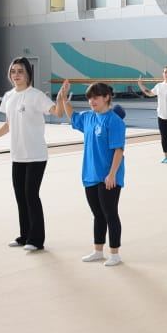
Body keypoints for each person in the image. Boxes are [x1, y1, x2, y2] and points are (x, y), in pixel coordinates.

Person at [0, 57, 63, 249]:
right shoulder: (9, 96)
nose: (16, 75)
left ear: (28, 73)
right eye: (13, 71)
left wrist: (61, 98)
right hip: (18, 155)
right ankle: (24, 236)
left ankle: (36, 240)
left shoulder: (36, 96)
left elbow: (57, 112)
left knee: (31, 194)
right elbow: (8, 125)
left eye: (20, 71)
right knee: (20, 196)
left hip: (36, 155)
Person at [58, 80, 127, 266]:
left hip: (108, 176)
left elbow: (118, 150)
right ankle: (98, 250)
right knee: (98, 214)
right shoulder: (88, 117)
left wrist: (112, 174)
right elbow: (72, 116)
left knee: (110, 213)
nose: (91, 101)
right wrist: (64, 98)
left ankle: (115, 254)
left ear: (106, 98)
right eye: (89, 98)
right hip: (90, 174)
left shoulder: (114, 121)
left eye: (95, 97)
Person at [137, 66, 167, 163]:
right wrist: (141, 85)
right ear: (163, 74)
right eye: (165, 72)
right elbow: (149, 93)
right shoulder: (159, 86)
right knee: (163, 137)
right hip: (161, 115)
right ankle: (166, 156)